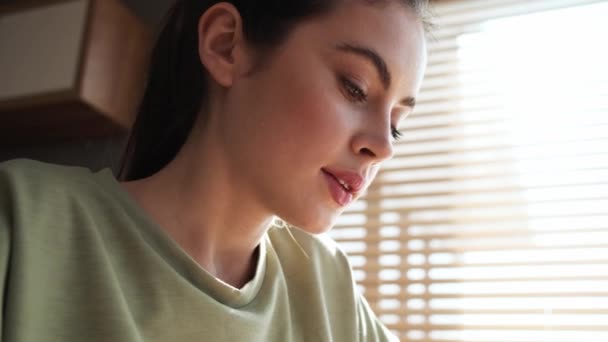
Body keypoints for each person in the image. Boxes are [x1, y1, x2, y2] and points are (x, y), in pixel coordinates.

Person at [0, 0, 428, 340]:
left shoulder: (328, 286)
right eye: (355, 87)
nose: (384, 147)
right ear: (225, 45)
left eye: (396, 124)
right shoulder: (21, 221)